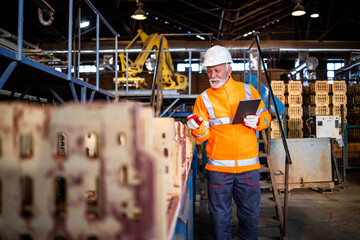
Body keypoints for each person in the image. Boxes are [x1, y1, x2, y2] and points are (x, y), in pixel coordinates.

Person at [187, 45, 271, 240]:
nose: (212, 75)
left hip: (248, 169)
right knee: (219, 220)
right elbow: (201, 137)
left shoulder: (248, 91)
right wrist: (196, 128)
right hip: (218, 171)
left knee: (249, 219)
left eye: (217, 70)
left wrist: (259, 122)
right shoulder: (204, 99)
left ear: (229, 69)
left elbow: (266, 118)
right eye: (209, 71)